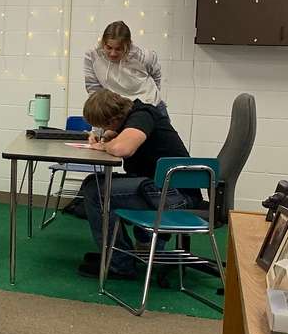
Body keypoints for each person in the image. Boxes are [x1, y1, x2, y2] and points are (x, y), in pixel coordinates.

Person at [76, 89, 200, 279]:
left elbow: (123, 148)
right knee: (92, 182)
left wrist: (104, 145)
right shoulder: (136, 116)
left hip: (176, 196)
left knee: (96, 192)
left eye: (102, 125)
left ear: (113, 119)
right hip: (165, 189)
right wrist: (111, 136)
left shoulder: (143, 115)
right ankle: (118, 254)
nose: (101, 129)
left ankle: (119, 265)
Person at [83, 20, 164, 107]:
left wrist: (153, 100)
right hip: (119, 105)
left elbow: (156, 75)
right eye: (109, 48)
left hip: (147, 102)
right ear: (103, 43)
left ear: (127, 46)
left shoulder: (143, 57)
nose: (113, 53)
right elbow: (93, 88)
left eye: (118, 49)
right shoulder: (92, 56)